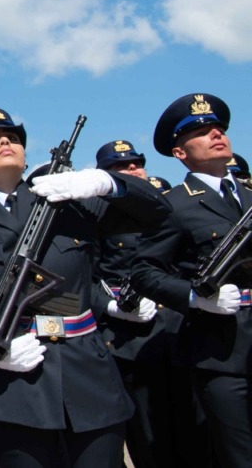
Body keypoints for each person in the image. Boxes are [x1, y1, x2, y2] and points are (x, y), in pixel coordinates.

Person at [0, 105, 169, 468]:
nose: (5, 142)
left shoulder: (69, 202)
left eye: (12, 137)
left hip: (88, 377)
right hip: (5, 385)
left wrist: (107, 183)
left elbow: (159, 213)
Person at [131, 93, 252, 467]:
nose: (216, 134)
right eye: (201, 131)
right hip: (222, 354)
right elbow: (144, 271)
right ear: (179, 152)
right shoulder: (173, 204)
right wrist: (196, 298)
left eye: (218, 128)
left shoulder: (249, 196)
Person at [92, 139, 203, 468]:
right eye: (120, 167)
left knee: (197, 434)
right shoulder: (97, 220)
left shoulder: (170, 212)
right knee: (150, 439)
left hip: (180, 334)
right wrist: (110, 307)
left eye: (137, 164)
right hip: (131, 341)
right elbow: (83, 278)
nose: (132, 169)